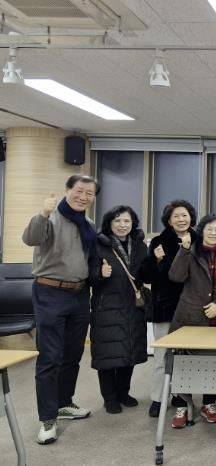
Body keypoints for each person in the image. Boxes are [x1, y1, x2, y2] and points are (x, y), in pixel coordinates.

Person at [22, 174, 100, 445]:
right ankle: (47, 419)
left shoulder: (88, 224)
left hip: (79, 294)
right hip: (50, 292)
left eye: (89, 193)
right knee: (50, 358)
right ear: (68, 190)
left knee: (72, 354)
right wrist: (43, 213)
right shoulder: (50, 217)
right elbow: (30, 239)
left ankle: (64, 403)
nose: (83, 197)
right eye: (79, 190)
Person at [167, 214, 216, 427]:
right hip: (190, 317)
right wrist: (184, 250)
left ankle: (209, 403)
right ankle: (182, 404)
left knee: (212, 363)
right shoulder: (191, 251)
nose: (213, 233)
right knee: (183, 362)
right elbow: (176, 276)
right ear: (202, 231)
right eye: (209, 229)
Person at [88, 205, 148, 415]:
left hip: (133, 305)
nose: (122, 225)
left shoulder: (140, 245)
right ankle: (109, 398)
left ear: (133, 223)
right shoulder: (98, 245)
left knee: (129, 351)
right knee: (107, 355)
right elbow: (88, 277)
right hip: (107, 307)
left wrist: (156, 263)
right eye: (117, 221)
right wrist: (99, 273)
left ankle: (123, 392)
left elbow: (145, 274)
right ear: (109, 223)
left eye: (126, 221)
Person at [142, 200, 198, 418]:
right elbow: (147, 277)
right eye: (176, 216)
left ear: (191, 217)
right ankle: (158, 398)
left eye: (185, 215)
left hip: (190, 307)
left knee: (186, 356)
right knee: (161, 356)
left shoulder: (198, 240)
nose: (181, 220)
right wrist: (155, 261)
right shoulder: (159, 241)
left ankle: (180, 395)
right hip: (165, 306)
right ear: (168, 220)